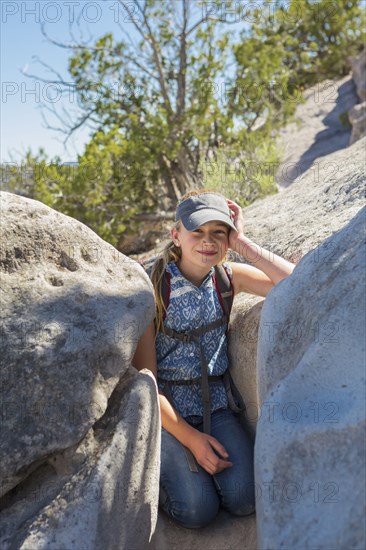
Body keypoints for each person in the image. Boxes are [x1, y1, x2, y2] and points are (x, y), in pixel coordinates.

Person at [132, 190, 295, 529]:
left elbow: (295, 282)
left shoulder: (227, 278)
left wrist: (241, 241)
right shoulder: (152, 286)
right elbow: (145, 379)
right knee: (198, 510)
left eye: (217, 232)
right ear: (176, 235)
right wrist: (192, 439)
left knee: (245, 499)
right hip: (167, 414)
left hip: (216, 407)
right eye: (197, 232)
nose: (207, 242)